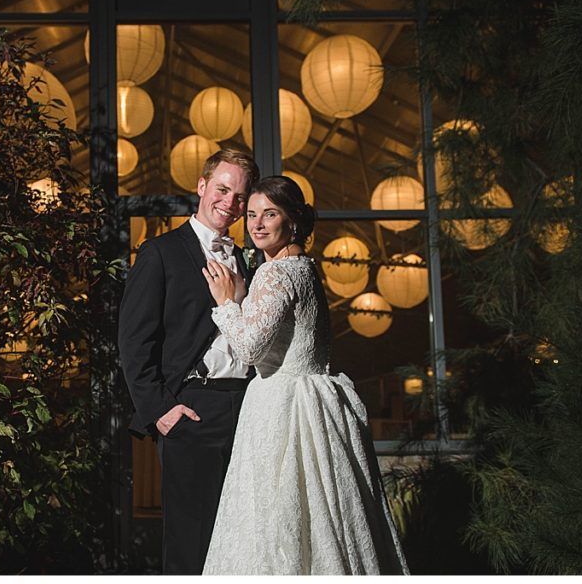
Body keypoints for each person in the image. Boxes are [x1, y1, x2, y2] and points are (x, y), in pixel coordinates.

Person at [199, 175, 410, 575]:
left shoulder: (276, 273)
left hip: (282, 408)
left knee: (276, 520)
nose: (257, 224)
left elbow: (248, 350)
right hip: (314, 401)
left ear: (293, 220)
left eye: (270, 214)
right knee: (323, 518)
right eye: (252, 214)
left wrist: (227, 303)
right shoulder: (305, 269)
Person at [117, 147, 260, 575]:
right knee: (192, 541)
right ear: (201, 187)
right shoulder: (160, 252)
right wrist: (161, 412)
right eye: (222, 189)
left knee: (243, 536)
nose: (230, 203)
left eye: (240, 196)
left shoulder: (247, 259)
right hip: (193, 409)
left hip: (249, 410)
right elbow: (133, 341)